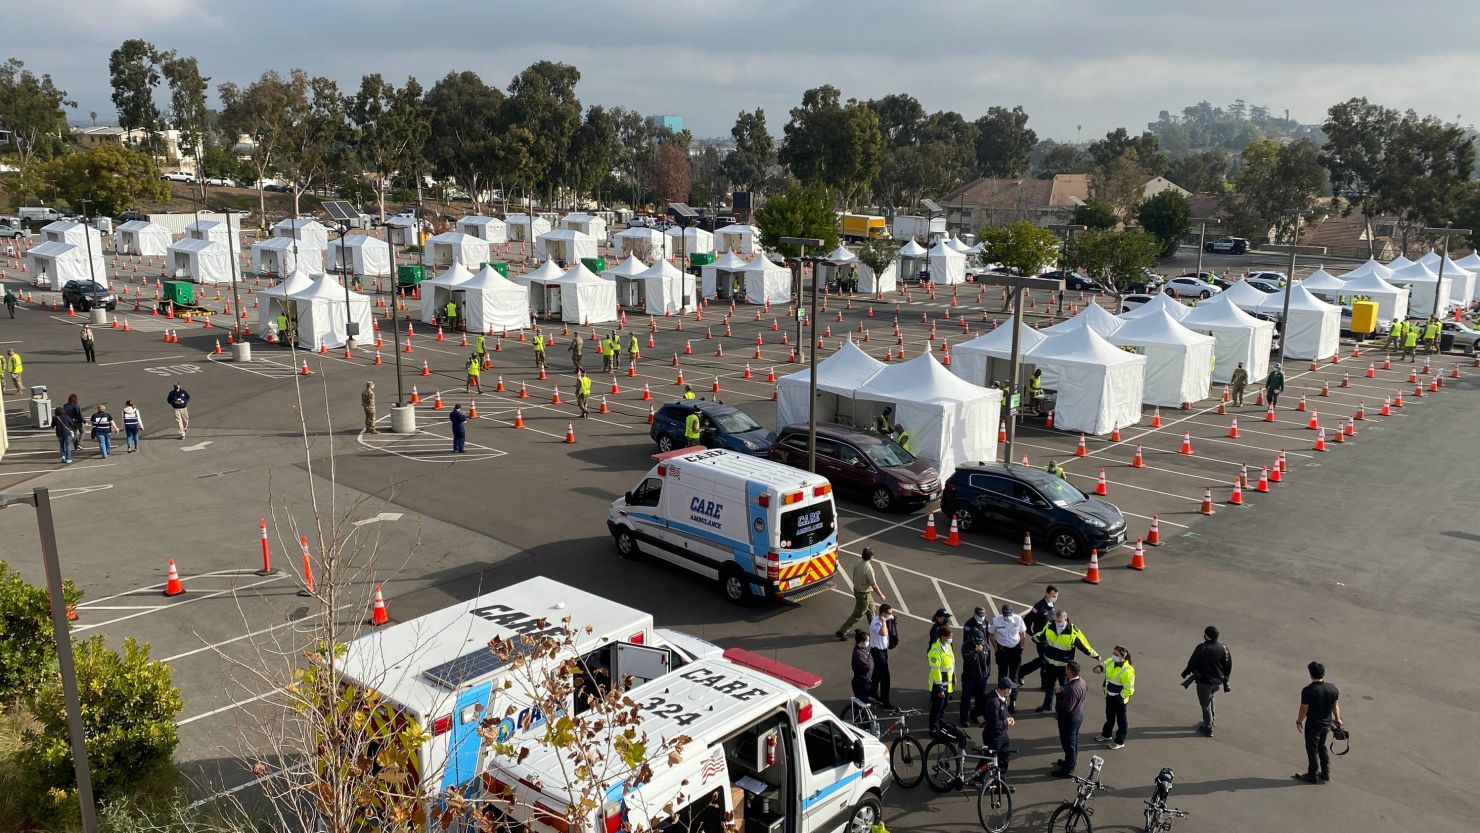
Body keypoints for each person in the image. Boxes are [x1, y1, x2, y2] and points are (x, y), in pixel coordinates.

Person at [1034, 609, 1100, 713]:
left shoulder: (1073, 631)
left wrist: (1095, 655)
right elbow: (1041, 635)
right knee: (1049, 686)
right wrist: (1035, 638)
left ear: (1066, 619)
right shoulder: (1050, 625)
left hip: (1064, 667)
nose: (1057, 623)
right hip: (1050, 663)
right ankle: (1047, 705)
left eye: (1060, 621)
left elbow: (1084, 645)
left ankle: (1063, 709)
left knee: (1064, 688)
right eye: (1056, 620)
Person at [1295, 661, 1342, 784]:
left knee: (1312, 748)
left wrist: (1299, 721)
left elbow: (1303, 709)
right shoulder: (1333, 688)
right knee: (1322, 746)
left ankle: (1312, 774)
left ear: (1311, 675)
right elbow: (1335, 706)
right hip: (1327, 724)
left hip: (1313, 724)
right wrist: (1337, 718)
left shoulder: (1308, 691)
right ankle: (1326, 773)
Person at [1181, 625, 1232, 736]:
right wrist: (1226, 679)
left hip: (1204, 683)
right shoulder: (1224, 648)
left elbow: (1192, 663)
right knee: (1210, 698)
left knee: (1205, 704)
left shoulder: (1202, 648)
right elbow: (1228, 665)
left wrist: (1185, 673)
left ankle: (1208, 727)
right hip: (1217, 683)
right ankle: (1212, 719)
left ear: (1207, 636)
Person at [835, 547, 884, 640]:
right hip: (864, 594)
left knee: (871, 609)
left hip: (859, 591)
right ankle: (842, 631)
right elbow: (873, 584)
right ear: (871, 556)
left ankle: (874, 630)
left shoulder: (858, 562)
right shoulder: (868, 568)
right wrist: (881, 595)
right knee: (858, 614)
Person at [1051, 660, 1088, 778]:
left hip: (1069, 719)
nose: (1065, 671)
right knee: (1074, 741)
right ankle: (1070, 762)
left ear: (1070, 672)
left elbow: (1067, 707)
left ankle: (1068, 769)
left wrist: (1059, 694)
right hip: (1078, 715)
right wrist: (1064, 690)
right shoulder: (1081, 682)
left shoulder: (1072, 688)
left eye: (1066, 669)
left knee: (1068, 743)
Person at [989, 604, 1028, 714]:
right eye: (1005, 614)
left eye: (1009, 614)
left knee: (1014, 677)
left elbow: (1023, 633)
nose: (1007, 616)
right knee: (1002, 675)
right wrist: (996, 649)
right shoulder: (996, 620)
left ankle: (1013, 701)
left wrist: (1021, 647)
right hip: (1003, 650)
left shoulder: (1018, 619)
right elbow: (991, 634)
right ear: (1002, 613)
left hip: (1015, 650)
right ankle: (1001, 698)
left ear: (1012, 612)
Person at [1094, 646, 1135, 749]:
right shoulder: (1111, 661)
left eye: (1116, 655)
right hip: (1109, 695)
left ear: (1123, 656)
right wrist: (1099, 668)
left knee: (1121, 721)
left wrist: (1119, 697)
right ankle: (1106, 734)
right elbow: (1104, 665)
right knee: (1109, 716)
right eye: (1113, 654)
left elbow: (1129, 689)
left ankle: (1120, 741)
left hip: (1120, 700)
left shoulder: (1128, 670)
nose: (1114, 656)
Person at [960, 606, 993, 727]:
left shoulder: (986, 646)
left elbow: (989, 661)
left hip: (981, 677)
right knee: (966, 698)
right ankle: (964, 718)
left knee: (980, 699)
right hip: (969, 676)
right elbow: (967, 659)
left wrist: (987, 674)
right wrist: (975, 651)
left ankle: (977, 716)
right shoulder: (967, 646)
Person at [1019, 585, 1059, 682]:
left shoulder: (1051, 605)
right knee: (1044, 660)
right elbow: (1027, 621)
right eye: (1053, 596)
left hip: (1049, 638)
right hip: (1041, 639)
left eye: (1056, 596)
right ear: (1047, 594)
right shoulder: (1039, 606)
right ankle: (1021, 672)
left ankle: (1044, 683)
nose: (1055, 598)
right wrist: (1032, 634)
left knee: (1045, 661)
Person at [982, 677, 1018, 776]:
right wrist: (1007, 722)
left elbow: (1004, 713)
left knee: (1004, 758)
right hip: (994, 736)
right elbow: (995, 724)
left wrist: (1010, 718)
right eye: (1011, 689)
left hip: (1002, 734)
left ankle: (1000, 780)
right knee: (988, 759)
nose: (1011, 691)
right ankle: (978, 777)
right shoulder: (994, 701)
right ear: (1006, 689)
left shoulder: (1002, 698)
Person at [927, 626, 955, 732]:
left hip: (947, 682)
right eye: (949, 637)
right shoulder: (935, 650)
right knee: (937, 708)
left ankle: (940, 725)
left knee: (943, 707)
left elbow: (952, 661)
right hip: (939, 684)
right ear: (943, 637)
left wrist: (954, 676)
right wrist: (939, 687)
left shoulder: (947, 646)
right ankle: (933, 728)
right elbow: (936, 670)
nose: (950, 639)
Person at [868, 604, 896, 709]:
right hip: (878, 652)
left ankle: (873, 693)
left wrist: (891, 617)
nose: (891, 615)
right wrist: (884, 621)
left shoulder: (887, 617)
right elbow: (883, 633)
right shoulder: (875, 622)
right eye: (889, 613)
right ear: (882, 614)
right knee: (885, 679)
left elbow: (893, 618)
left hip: (883, 652)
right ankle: (885, 702)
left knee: (877, 674)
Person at [850, 631, 874, 703]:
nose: (868, 642)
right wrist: (870, 658)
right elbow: (867, 667)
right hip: (861, 683)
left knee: (864, 702)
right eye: (867, 641)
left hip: (866, 681)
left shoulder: (863, 650)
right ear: (861, 642)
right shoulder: (858, 654)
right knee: (862, 703)